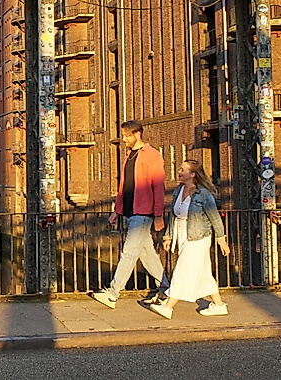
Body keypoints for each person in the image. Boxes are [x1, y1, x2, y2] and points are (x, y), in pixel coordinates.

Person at [91, 120, 169, 308]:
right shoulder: (130, 156)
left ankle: (113, 293)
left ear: (137, 134)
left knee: (129, 252)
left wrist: (158, 215)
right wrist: (117, 211)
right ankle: (166, 290)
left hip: (143, 212)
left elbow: (158, 186)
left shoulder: (152, 156)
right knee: (147, 253)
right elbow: (124, 187)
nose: (124, 139)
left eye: (127, 136)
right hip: (132, 211)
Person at [149, 158, 230, 319]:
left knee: (183, 268)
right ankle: (219, 305)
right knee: (204, 273)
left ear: (193, 174)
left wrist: (222, 240)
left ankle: (168, 306)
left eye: (183, 170)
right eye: (179, 169)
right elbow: (174, 215)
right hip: (182, 233)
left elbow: (214, 218)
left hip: (198, 237)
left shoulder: (203, 194)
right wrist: (169, 236)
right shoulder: (179, 191)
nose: (179, 172)